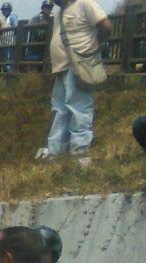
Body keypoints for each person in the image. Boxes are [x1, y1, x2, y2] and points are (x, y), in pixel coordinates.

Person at [36, 0, 111, 161]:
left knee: (79, 108)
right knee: (59, 110)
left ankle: (80, 151)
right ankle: (56, 151)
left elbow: (106, 26)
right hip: (62, 68)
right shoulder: (59, 13)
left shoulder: (85, 4)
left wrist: (93, 45)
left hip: (78, 65)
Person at [0, 3, 19, 70]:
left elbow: (16, 28)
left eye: (6, 10)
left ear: (10, 10)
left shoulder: (12, 17)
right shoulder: (5, 19)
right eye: (3, 10)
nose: (4, 11)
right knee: (4, 61)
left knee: (9, 61)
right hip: (5, 44)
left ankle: (9, 77)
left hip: (10, 43)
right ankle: (6, 77)